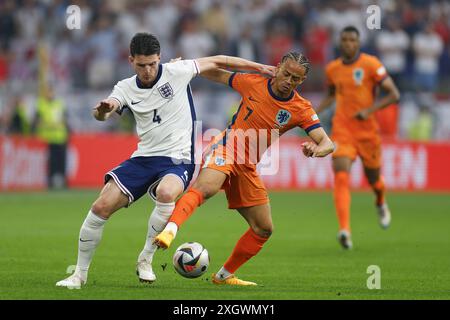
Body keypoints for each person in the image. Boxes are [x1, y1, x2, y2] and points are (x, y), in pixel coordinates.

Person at [56, 33, 275, 289]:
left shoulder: (177, 71)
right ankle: (78, 275)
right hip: (143, 158)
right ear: (131, 61)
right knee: (100, 206)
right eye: (141, 65)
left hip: (178, 159)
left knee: (167, 192)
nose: (148, 70)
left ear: (159, 58)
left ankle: (145, 260)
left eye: (152, 63)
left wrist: (258, 66)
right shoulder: (125, 87)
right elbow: (106, 110)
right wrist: (103, 111)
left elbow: (219, 60)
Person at [154, 51, 335, 286]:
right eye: (287, 74)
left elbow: (327, 143)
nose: (288, 81)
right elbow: (217, 73)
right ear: (278, 67)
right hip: (227, 148)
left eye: (296, 79)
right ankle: (170, 230)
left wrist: (315, 149)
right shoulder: (254, 82)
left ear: (302, 81)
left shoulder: (300, 107)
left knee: (263, 229)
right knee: (206, 188)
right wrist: (185, 68)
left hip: (247, 166)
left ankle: (224, 276)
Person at [316, 26, 400, 249]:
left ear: (358, 42)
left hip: (368, 133)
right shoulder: (332, 69)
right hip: (342, 130)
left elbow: (394, 93)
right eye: (344, 40)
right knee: (341, 175)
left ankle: (380, 201)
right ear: (339, 42)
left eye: (352, 40)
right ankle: (345, 230)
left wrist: (369, 110)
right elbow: (332, 95)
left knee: (374, 181)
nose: (347, 44)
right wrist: (312, 112)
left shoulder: (371, 64)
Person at [32, 85, 69, 189]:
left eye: (51, 92)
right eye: (48, 92)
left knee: (62, 161)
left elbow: (65, 119)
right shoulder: (41, 104)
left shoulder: (59, 104)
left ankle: (64, 182)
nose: (50, 94)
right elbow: (36, 121)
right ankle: (49, 182)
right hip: (47, 139)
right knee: (50, 162)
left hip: (60, 137)